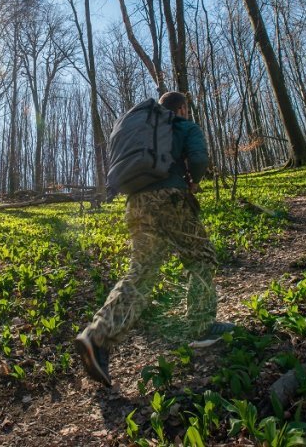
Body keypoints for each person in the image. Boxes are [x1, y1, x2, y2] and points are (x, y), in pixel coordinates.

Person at [74, 91, 234, 387]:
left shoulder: (145, 127)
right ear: (182, 108)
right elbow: (199, 158)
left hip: (136, 203)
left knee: (142, 270)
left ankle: (97, 336)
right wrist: (194, 181)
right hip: (169, 197)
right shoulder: (185, 125)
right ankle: (201, 326)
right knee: (201, 256)